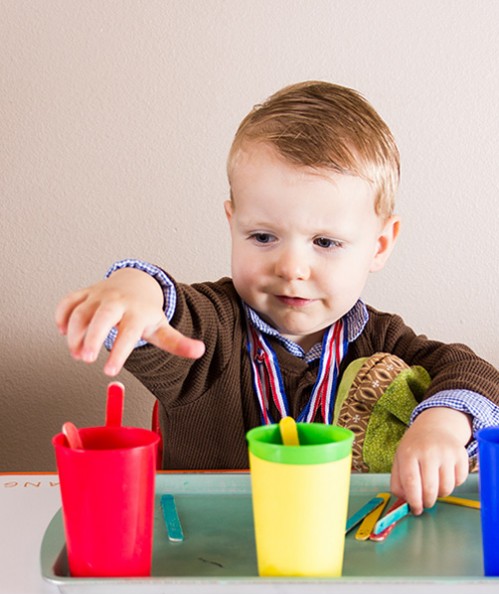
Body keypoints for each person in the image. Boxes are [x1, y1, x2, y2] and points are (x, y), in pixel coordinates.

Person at [56, 81, 499, 515]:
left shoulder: (384, 340)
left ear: (380, 245)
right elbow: (164, 310)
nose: (291, 267)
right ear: (233, 224)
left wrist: (440, 424)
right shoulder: (210, 332)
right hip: (217, 563)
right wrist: (134, 290)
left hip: (348, 562)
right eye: (263, 236)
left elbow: (474, 373)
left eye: (325, 242)